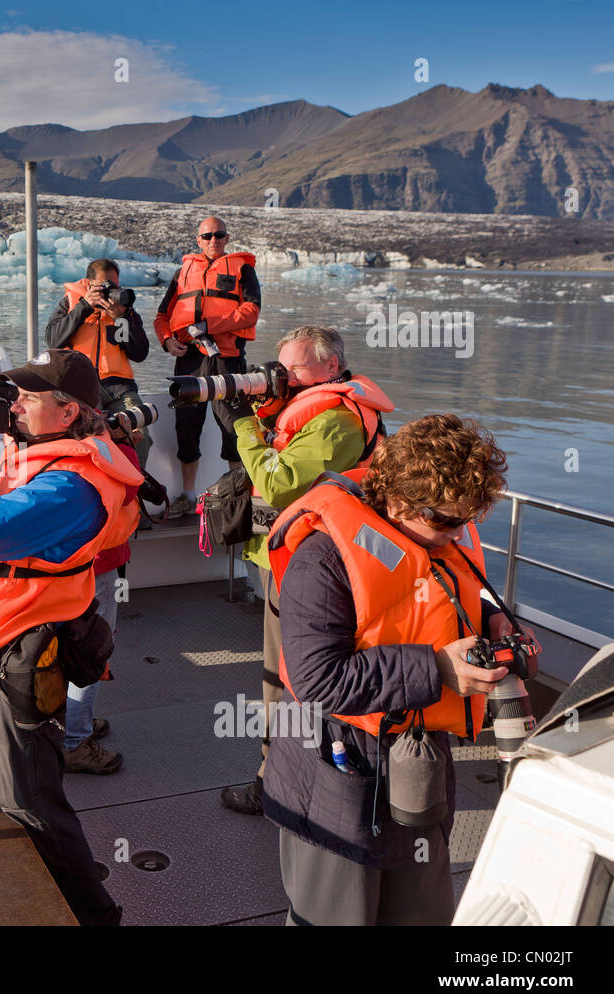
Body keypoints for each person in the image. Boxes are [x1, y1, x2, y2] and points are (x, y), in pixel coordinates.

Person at [263, 414, 514, 925]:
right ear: (398, 500)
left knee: (421, 911)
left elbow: (443, 594)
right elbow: (317, 679)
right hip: (337, 768)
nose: (455, 534)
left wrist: (495, 624)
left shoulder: (433, 538)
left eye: (465, 521)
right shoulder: (323, 559)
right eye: (445, 521)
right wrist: (437, 668)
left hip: (416, 765)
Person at [0, 348, 142, 926]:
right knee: (2, 777)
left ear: (69, 414)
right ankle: (35, 881)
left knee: (33, 800)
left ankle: (91, 913)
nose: (14, 406)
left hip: (23, 654)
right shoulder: (45, 459)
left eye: (28, 398)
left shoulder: (71, 488)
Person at [220, 326, 394, 815]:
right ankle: (303, 777)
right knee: (295, 676)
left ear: (332, 367)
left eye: (296, 368)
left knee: (285, 677)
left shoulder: (336, 421)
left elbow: (278, 485)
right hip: (298, 557)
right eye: (283, 367)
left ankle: (275, 783)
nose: (285, 376)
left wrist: (243, 428)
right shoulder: (327, 409)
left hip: (304, 565)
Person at [154, 216, 261, 517]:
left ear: (227, 239)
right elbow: (162, 317)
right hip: (188, 359)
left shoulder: (243, 269)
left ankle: (238, 498)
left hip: (227, 359)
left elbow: (251, 310)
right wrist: (166, 341)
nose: (213, 240)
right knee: (186, 428)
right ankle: (187, 496)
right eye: (207, 236)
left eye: (219, 235)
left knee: (234, 426)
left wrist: (210, 325)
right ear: (198, 240)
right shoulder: (182, 273)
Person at [64, 415, 140, 775]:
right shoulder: (116, 457)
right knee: (92, 651)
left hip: (64, 571)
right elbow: (131, 487)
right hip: (99, 569)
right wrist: (124, 444)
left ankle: (66, 724)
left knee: (61, 649)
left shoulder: (56, 458)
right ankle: (75, 739)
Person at [45, 258, 152, 468]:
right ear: (89, 283)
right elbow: (53, 339)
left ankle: (135, 491)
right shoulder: (71, 302)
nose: (110, 292)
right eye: (105, 286)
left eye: (115, 286)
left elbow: (140, 353)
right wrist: (84, 306)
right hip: (83, 386)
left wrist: (122, 319)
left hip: (120, 389)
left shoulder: (124, 310)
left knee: (140, 434)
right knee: (88, 435)